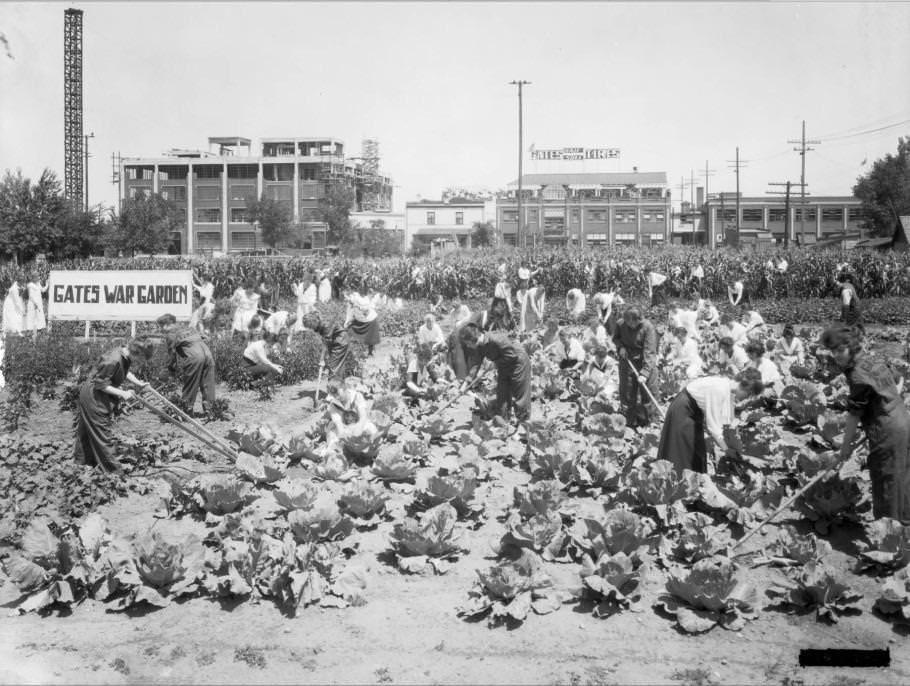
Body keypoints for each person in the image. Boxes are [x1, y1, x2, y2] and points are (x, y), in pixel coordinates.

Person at [821, 324, 910, 523]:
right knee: (901, 475)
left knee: (886, 479)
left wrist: (845, 448)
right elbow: (899, 380)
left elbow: (854, 415)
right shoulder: (875, 358)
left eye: (839, 350)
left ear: (851, 346)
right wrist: (889, 401)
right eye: (832, 351)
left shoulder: (857, 375)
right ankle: (905, 524)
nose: (836, 355)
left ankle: (890, 531)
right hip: (902, 419)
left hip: (886, 429)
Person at [657, 368, 765, 474]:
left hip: (693, 411)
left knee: (695, 449)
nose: (745, 398)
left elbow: (725, 419)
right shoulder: (719, 389)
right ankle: (677, 481)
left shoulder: (726, 386)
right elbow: (713, 427)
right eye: (748, 395)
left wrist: (730, 440)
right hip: (683, 410)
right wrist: (726, 450)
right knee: (682, 450)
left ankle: (693, 482)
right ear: (744, 387)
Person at [73, 337, 154, 474]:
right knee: (101, 434)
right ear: (137, 353)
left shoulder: (123, 354)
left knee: (86, 431)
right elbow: (101, 384)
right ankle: (114, 473)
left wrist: (138, 383)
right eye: (142, 359)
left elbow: (124, 371)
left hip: (96, 394)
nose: (141, 362)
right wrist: (123, 393)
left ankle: (81, 463)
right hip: (94, 396)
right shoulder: (114, 359)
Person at [459, 324, 531, 423]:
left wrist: (494, 363)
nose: (467, 346)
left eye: (467, 343)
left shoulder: (496, 339)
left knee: (520, 394)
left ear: (473, 339)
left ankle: (524, 424)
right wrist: (465, 384)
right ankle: (504, 422)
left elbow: (512, 356)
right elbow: (476, 364)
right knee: (502, 393)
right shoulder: (479, 346)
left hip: (518, 363)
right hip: (503, 364)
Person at [156, 313, 216, 415]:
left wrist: (171, 370)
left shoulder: (170, 334)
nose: (161, 329)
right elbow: (206, 338)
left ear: (166, 325)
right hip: (208, 355)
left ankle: (186, 410)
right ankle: (211, 410)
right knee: (207, 383)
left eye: (161, 326)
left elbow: (172, 355)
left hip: (195, 357)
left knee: (191, 384)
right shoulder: (190, 328)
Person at [613, 308, 659, 428]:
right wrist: (620, 347)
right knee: (627, 392)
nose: (633, 325)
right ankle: (629, 423)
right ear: (626, 320)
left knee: (649, 393)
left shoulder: (648, 327)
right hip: (627, 359)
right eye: (630, 323)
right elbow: (615, 338)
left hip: (645, 360)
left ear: (640, 319)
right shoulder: (620, 324)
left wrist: (645, 372)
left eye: (636, 323)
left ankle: (652, 423)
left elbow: (650, 351)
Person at [324, 376, 375, 451]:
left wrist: (358, 429)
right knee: (333, 441)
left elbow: (363, 416)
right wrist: (344, 437)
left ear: (344, 388)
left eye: (338, 394)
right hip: (345, 428)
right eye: (334, 395)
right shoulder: (333, 405)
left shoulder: (357, 396)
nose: (337, 397)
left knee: (371, 429)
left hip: (360, 424)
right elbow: (339, 424)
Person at [301, 312, 353, 380]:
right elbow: (326, 342)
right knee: (336, 365)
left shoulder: (326, 325)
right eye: (309, 327)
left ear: (314, 321)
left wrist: (322, 359)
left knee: (333, 366)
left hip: (341, 342)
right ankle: (336, 386)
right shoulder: (320, 324)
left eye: (310, 326)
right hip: (335, 342)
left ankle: (333, 386)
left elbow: (325, 344)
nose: (311, 328)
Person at [242, 316, 284, 387]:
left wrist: (276, 365)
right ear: (268, 342)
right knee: (269, 368)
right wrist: (276, 367)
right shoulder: (259, 346)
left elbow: (265, 360)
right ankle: (255, 385)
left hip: (252, 366)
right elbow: (265, 361)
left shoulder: (262, 345)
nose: (270, 347)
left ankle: (259, 383)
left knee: (272, 368)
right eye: (270, 345)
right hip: (246, 368)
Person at [344, 291, 381, 356]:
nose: (345, 299)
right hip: (360, 320)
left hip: (370, 319)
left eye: (346, 297)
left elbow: (366, 307)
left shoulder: (359, 299)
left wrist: (358, 306)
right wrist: (346, 323)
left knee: (371, 337)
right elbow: (349, 314)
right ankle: (349, 351)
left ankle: (370, 352)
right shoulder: (349, 304)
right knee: (350, 331)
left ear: (350, 296)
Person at [24, 272, 48, 337]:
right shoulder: (30, 285)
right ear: (33, 278)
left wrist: (47, 284)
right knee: (31, 318)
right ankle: (29, 333)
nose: (38, 278)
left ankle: (40, 332)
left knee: (40, 318)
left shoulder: (38, 284)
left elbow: (43, 290)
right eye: (36, 277)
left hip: (38, 304)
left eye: (38, 277)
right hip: (32, 304)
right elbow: (31, 296)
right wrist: (36, 304)